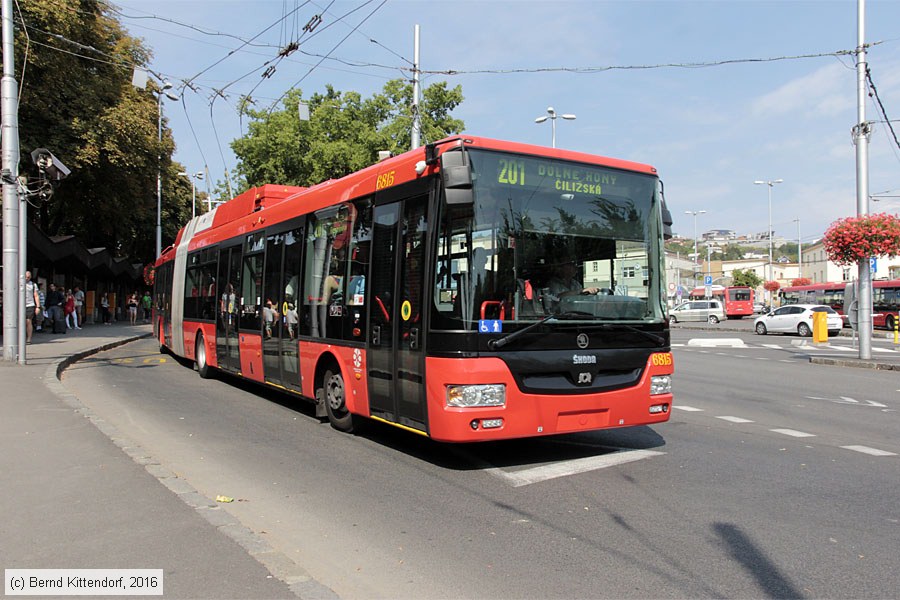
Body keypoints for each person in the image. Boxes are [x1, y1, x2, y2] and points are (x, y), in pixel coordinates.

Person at [24, 271, 41, 343]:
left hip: (30, 305)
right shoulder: (18, 283)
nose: (27, 278)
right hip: (20, 305)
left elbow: (36, 296)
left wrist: (38, 307)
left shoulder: (33, 285)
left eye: (28, 277)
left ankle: (29, 338)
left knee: (28, 321)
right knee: (20, 322)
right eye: (26, 277)